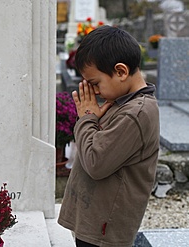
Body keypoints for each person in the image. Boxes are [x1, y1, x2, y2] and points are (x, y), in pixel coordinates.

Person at [57, 25, 160, 247]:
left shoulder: (137, 113)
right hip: (95, 221)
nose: (93, 91)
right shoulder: (123, 102)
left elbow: (96, 162)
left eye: (95, 83)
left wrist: (86, 118)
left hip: (105, 229)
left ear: (121, 72)